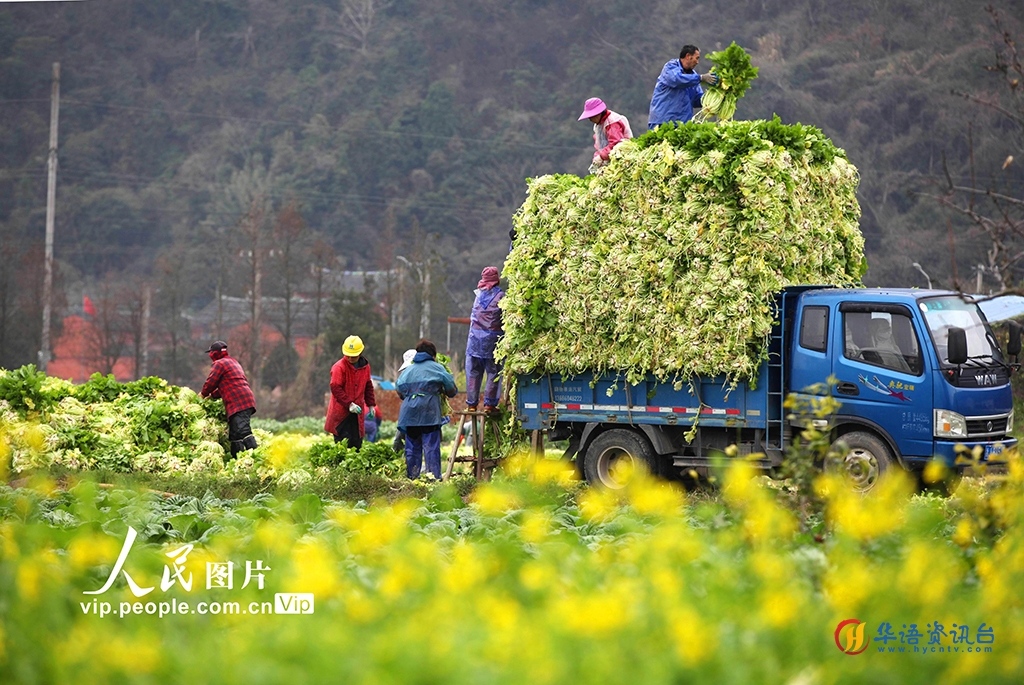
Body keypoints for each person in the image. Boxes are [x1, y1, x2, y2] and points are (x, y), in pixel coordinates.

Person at [396, 339, 458, 479]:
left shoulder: (407, 371)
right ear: (433, 355)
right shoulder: (437, 368)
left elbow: (399, 390)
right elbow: (452, 390)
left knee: (412, 448)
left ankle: (412, 479)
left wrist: (412, 396)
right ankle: (433, 478)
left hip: (409, 415)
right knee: (431, 447)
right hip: (429, 413)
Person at [199, 340, 258, 459]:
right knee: (235, 435)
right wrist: (213, 396)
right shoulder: (232, 362)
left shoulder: (219, 364)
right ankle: (237, 461)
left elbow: (211, 382)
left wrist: (203, 394)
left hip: (239, 402)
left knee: (244, 431)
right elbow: (227, 385)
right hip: (244, 399)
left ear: (214, 353)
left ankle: (258, 457)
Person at [647, 45, 720, 130]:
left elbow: (697, 100)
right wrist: (701, 78)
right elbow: (676, 79)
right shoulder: (671, 67)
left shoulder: (693, 76)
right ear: (688, 56)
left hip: (682, 124)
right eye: (697, 58)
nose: (697, 62)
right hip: (662, 121)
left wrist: (715, 96)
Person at [324, 335, 377, 451]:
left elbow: (368, 385)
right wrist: (349, 404)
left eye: (353, 356)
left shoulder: (365, 367)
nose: (350, 358)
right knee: (342, 447)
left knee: (357, 444)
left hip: (357, 414)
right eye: (348, 355)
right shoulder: (339, 367)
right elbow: (336, 388)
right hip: (341, 414)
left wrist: (371, 404)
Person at [465, 266, 504, 413]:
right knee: (493, 372)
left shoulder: (478, 296)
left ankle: (472, 404)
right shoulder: (501, 297)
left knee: (473, 372)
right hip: (492, 342)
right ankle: (489, 404)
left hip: (474, 341)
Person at [578, 98, 633, 172]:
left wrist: (601, 156)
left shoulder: (612, 122)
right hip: (610, 160)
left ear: (598, 114)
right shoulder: (598, 125)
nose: (590, 119)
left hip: (623, 159)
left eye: (591, 116)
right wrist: (597, 157)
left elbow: (616, 144)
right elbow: (599, 145)